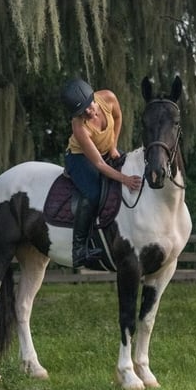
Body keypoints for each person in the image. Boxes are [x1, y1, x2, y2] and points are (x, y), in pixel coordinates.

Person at [60, 78, 143, 268]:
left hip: (107, 149)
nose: (89, 113)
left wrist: (114, 146)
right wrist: (125, 179)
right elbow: (98, 163)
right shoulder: (79, 126)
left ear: (93, 97)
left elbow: (119, 117)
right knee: (93, 193)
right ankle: (79, 249)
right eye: (82, 112)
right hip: (80, 158)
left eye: (90, 107)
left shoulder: (108, 97)